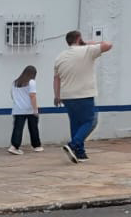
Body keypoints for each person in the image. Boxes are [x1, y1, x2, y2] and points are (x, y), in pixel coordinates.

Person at [53, 30, 113, 163]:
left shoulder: (60, 57)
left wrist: (57, 95)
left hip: (66, 95)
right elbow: (108, 44)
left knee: (75, 123)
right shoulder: (87, 50)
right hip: (84, 94)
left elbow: (56, 79)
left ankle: (80, 153)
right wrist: (88, 43)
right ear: (79, 39)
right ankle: (73, 145)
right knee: (90, 121)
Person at [8, 66, 42, 154]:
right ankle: (37, 146)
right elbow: (32, 96)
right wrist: (35, 109)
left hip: (18, 109)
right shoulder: (31, 82)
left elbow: (12, 95)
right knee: (33, 127)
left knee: (18, 128)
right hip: (29, 109)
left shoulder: (15, 83)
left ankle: (14, 146)